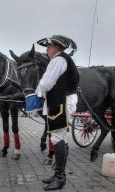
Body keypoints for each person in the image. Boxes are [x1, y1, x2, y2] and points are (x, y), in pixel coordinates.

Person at [35, 35, 79, 191]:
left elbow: (46, 83)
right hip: (62, 101)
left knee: (56, 138)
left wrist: (37, 90)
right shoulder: (63, 59)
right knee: (61, 138)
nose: (46, 50)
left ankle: (59, 178)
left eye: (49, 46)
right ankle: (59, 175)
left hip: (61, 102)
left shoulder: (58, 60)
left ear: (57, 48)